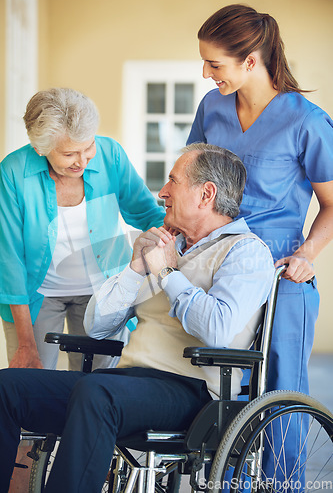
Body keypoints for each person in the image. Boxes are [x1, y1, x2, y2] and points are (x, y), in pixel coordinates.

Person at [0, 143, 274, 492]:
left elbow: (217, 329)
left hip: (192, 392)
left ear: (206, 194)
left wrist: (167, 275)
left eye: (173, 181)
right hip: (127, 384)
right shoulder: (163, 247)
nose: (162, 193)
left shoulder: (246, 252)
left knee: (96, 392)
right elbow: (97, 327)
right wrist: (136, 268)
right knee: (8, 387)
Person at [186, 4, 333, 481]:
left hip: (280, 274)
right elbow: (190, 179)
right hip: (218, 267)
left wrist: (307, 256)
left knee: (279, 395)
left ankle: (280, 485)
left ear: (251, 60)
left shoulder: (307, 121)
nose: (207, 74)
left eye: (215, 64)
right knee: (218, 389)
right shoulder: (212, 108)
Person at [0, 87, 165, 371]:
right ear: (40, 148)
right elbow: (9, 257)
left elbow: (147, 212)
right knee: (30, 384)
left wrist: (199, 234)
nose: (82, 160)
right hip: (35, 296)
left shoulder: (110, 154)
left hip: (101, 291)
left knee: (97, 383)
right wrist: (26, 343)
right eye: (69, 154)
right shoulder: (14, 172)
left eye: (88, 147)